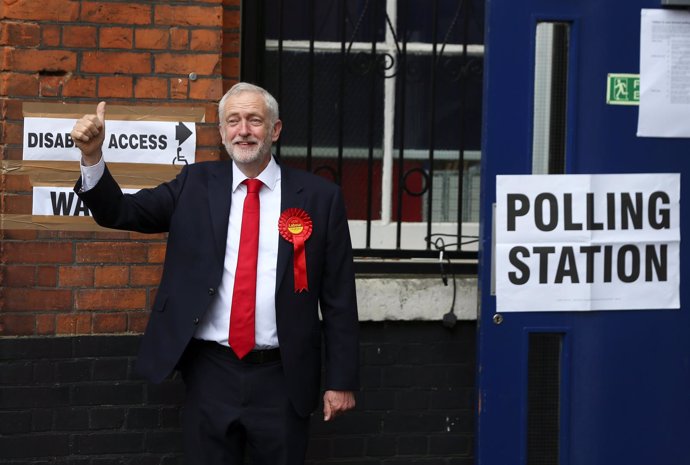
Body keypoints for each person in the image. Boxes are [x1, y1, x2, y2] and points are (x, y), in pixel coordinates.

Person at [71, 82, 359, 465]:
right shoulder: (194, 183)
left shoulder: (320, 198)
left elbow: (339, 298)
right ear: (222, 132)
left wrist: (340, 381)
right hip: (211, 373)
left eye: (255, 120)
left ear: (274, 130)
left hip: (283, 377)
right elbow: (120, 212)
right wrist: (92, 156)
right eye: (233, 121)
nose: (244, 130)